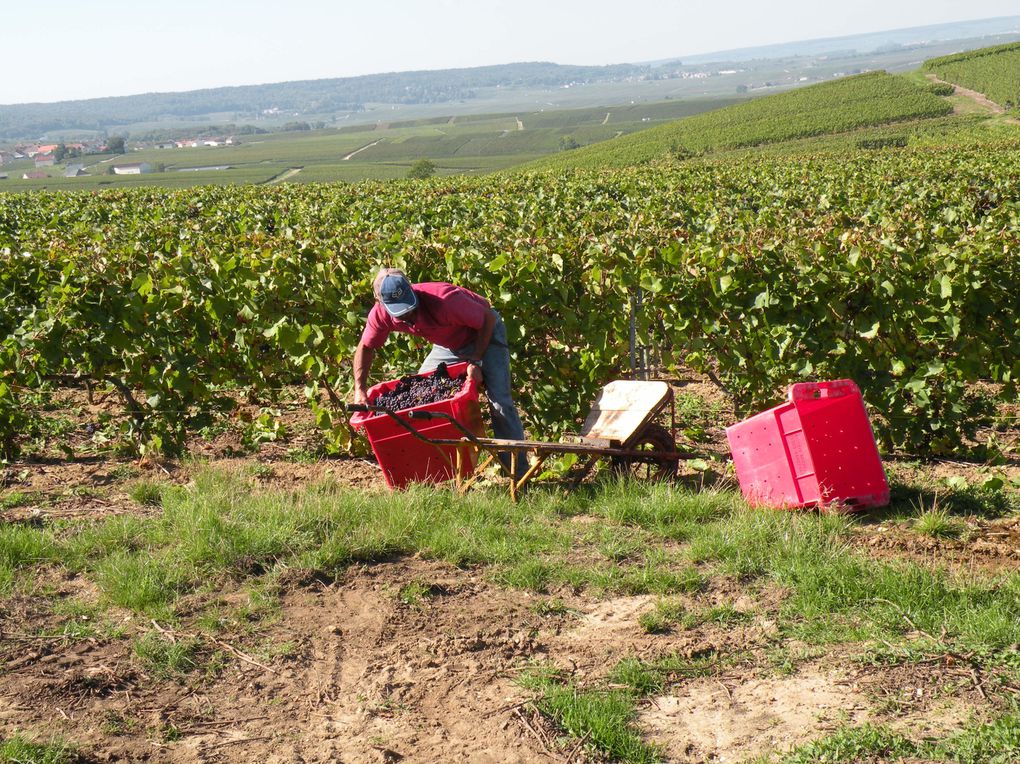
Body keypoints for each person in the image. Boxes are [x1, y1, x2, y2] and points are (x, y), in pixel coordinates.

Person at [353, 268, 528, 479]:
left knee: (500, 403)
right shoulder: (380, 314)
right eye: (400, 312)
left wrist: (475, 360)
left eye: (410, 307)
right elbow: (366, 347)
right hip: (449, 344)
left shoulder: (444, 300)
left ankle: (518, 475)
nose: (409, 315)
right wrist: (359, 389)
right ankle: (444, 470)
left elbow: (488, 318)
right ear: (380, 302)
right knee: (420, 398)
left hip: (483, 334)